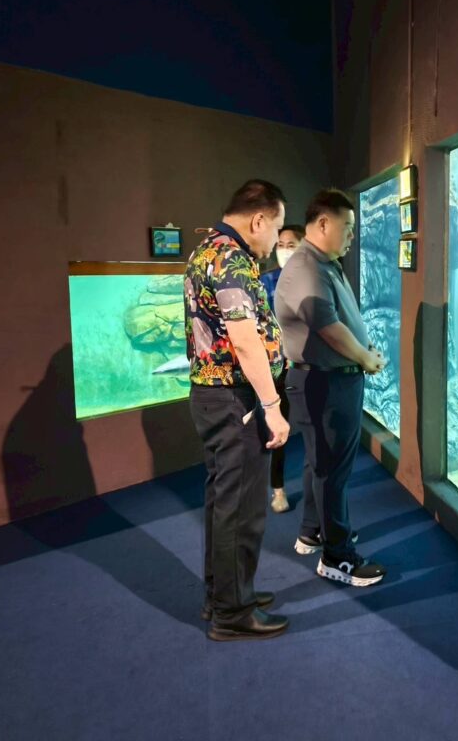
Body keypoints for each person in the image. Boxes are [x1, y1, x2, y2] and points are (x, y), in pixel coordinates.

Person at [185, 179, 291, 641]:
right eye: (278, 229)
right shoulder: (231, 259)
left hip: (213, 398)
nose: (277, 240)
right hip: (235, 401)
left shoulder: (206, 249)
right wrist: (272, 406)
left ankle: (224, 594)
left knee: (223, 502)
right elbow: (245, 342)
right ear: (259, 220)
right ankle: (232, 613)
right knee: (242, 508)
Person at [275, 189, 388, 587]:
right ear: (323, 223)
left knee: (319, 463)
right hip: (324, 383)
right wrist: (364, 358)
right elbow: (329, 327)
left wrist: (363, 352)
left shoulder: (323, 264)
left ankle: (313, 531)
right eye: (349, 227)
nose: (353, 235)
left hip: (329, 380)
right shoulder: (307, 267)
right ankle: (337, 558)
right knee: (331, 471)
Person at [260, 225, 305, 514]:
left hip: (310, 365)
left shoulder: (315, 279)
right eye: (281, 244)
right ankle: (278, 488)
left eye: (291, 244)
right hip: (276, 367)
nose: (285, 249)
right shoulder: (265, 281)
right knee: (278, 428)